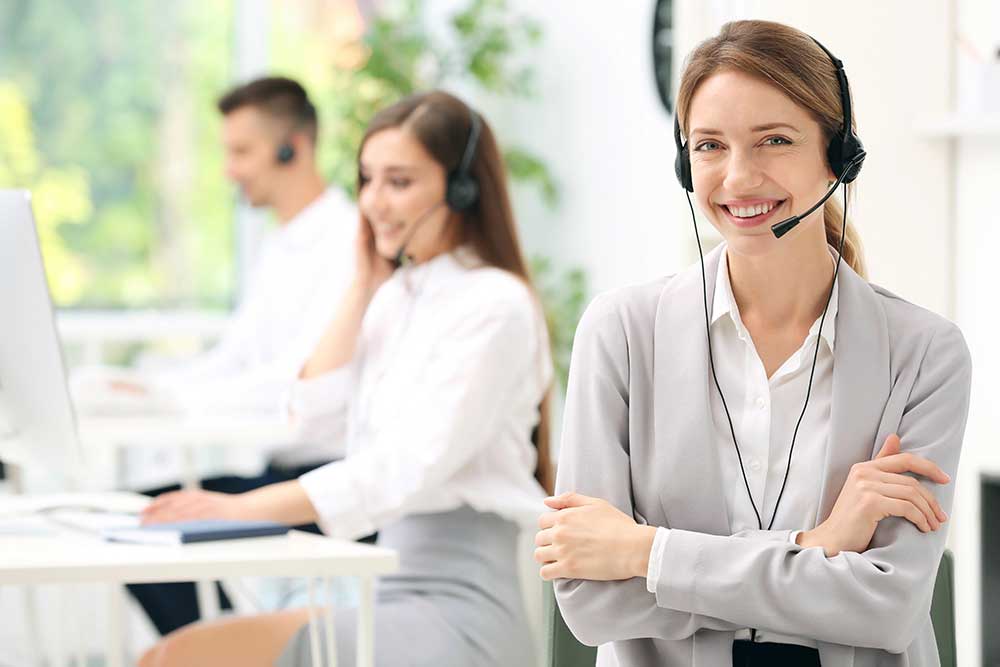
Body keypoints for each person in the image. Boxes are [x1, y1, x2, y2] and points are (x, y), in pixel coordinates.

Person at [535, 20, 971, 667]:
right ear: (686, 162)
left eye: (774, 140)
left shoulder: (924, 352)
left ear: (838, 154)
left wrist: (643, 553)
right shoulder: (621, 332)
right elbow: (592, 605)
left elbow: (888, 606)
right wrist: (817, 545)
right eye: (710, 145)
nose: (739, 177)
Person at [136, 89, 554, 667]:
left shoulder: (495, 304)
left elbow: (406, 467)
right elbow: (312, 418)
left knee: (184, 659)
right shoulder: (394, 300)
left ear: (461, 189)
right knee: (168, 655)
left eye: (399, 183)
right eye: (367, 180)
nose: (374, 203)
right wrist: (361, 284)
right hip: (383, 583)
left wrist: (242, 507)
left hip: (460, 605)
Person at [124, 76, 358, 635]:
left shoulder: (347, 242)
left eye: (241, 152)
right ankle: (220, 646)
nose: (229, 169)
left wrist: (177, 400)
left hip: (323, 478)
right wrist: (156, 391)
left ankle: (222, 647)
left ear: (292, 148)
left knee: (149, 527)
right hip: (277, 470)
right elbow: (233, 361)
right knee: (143, 518)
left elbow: (291, 380)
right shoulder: (279, 244)